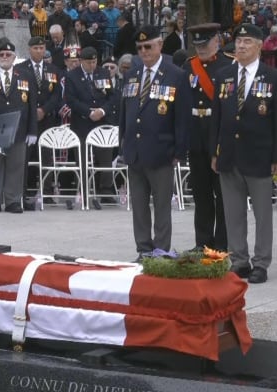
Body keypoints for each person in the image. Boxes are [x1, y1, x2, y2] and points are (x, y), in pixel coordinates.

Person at [211, 24, 277, 284]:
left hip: (259, 155)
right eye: (238, 41)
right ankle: (239, 261)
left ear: (258, 45)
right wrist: (215, 151)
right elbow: (218, 118)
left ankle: (261, 263)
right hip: (230, 155)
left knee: (262, 215)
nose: (241, 46)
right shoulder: (223, 75)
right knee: (233, 213)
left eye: (246, 41)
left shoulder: (274, 78)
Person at [119, 25, 190, 261]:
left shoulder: (176, 75)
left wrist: (179, 150)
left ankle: (161, 249)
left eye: (148, 46)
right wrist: (123, 144)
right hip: (135, 151)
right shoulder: (131, 75)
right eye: (139, 48)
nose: (144, 51)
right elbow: (125, 114)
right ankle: (143, 249)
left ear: (160, 45)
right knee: (139, 206)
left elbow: (181, 118)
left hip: (162, 150)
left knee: (161, 206)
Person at [182, 23, 230, 252]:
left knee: (222, 195)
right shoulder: (188, 66)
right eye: (197, 45)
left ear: (217, 41)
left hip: (218, 137)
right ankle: (202, 242)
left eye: (205, 44)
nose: (201, 49)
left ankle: (222, 244)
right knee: (201, 194)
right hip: (196, 137)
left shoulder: (228, 64)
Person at [63, 46, 120, 209]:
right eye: (89, 63)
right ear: (81, 61)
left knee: (105, 156)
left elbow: (112, 96)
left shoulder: (102, 73)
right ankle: (83, 188)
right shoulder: (72, 76)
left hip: (102, 120)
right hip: (82, 121)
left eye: (94, 62)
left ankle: (106, 190)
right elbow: (71, 100)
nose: (92, 66)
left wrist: (102, 110)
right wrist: (88, 112)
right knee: (81, 156)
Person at [0, 40, 37, 214]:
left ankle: (13, 200)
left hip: (19, 128)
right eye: (1, 55)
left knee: (16, 164)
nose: (5, 57)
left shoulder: (25, 75)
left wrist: (32, 130)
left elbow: (31, 104)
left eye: (8, 55)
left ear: (14, 57)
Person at [16, 36, 63, 210]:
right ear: (29, 49)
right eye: (35, 48)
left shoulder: (53, 69)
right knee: (24, 156)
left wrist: (44, 109)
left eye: (41, 48)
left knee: (47, 156)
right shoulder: (20, 68)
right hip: (27, 120)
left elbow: (57, 95)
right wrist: (31, 112)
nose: (39, 51)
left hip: (46, 118)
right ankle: (22, 192)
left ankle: (47, 191)